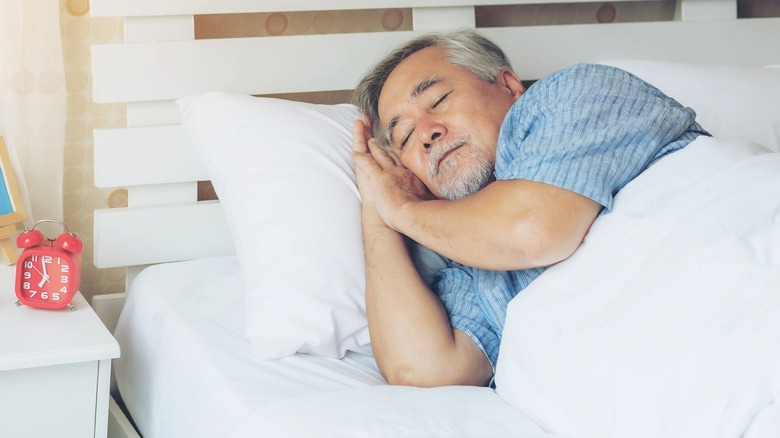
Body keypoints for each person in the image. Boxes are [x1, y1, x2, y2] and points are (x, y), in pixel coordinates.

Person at [350, 29, 708, 388]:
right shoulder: (470, 258)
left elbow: (534, 230)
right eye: (406, 137)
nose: (426, 133)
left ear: (508, 85)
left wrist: (402, 210)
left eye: (438, 99)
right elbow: (423, 370)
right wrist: (379, 212)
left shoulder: (573, 93)